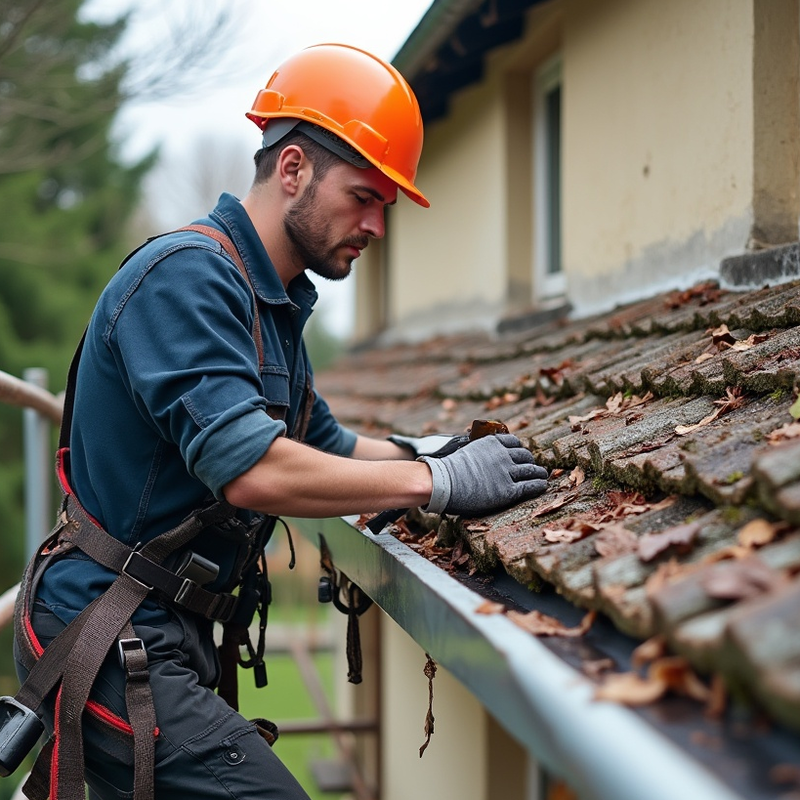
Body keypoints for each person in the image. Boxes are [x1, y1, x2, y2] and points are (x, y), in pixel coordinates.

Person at [11, 43, 548, 800]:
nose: (377, 225)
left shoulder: (271, 305)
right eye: (364, 196)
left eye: (385, 206)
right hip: (102, 625)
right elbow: (254, 468)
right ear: (292, 168)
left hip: (168, 628)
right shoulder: (188, 279)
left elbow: (318, 441)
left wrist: (426, 449)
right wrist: (436, 481)